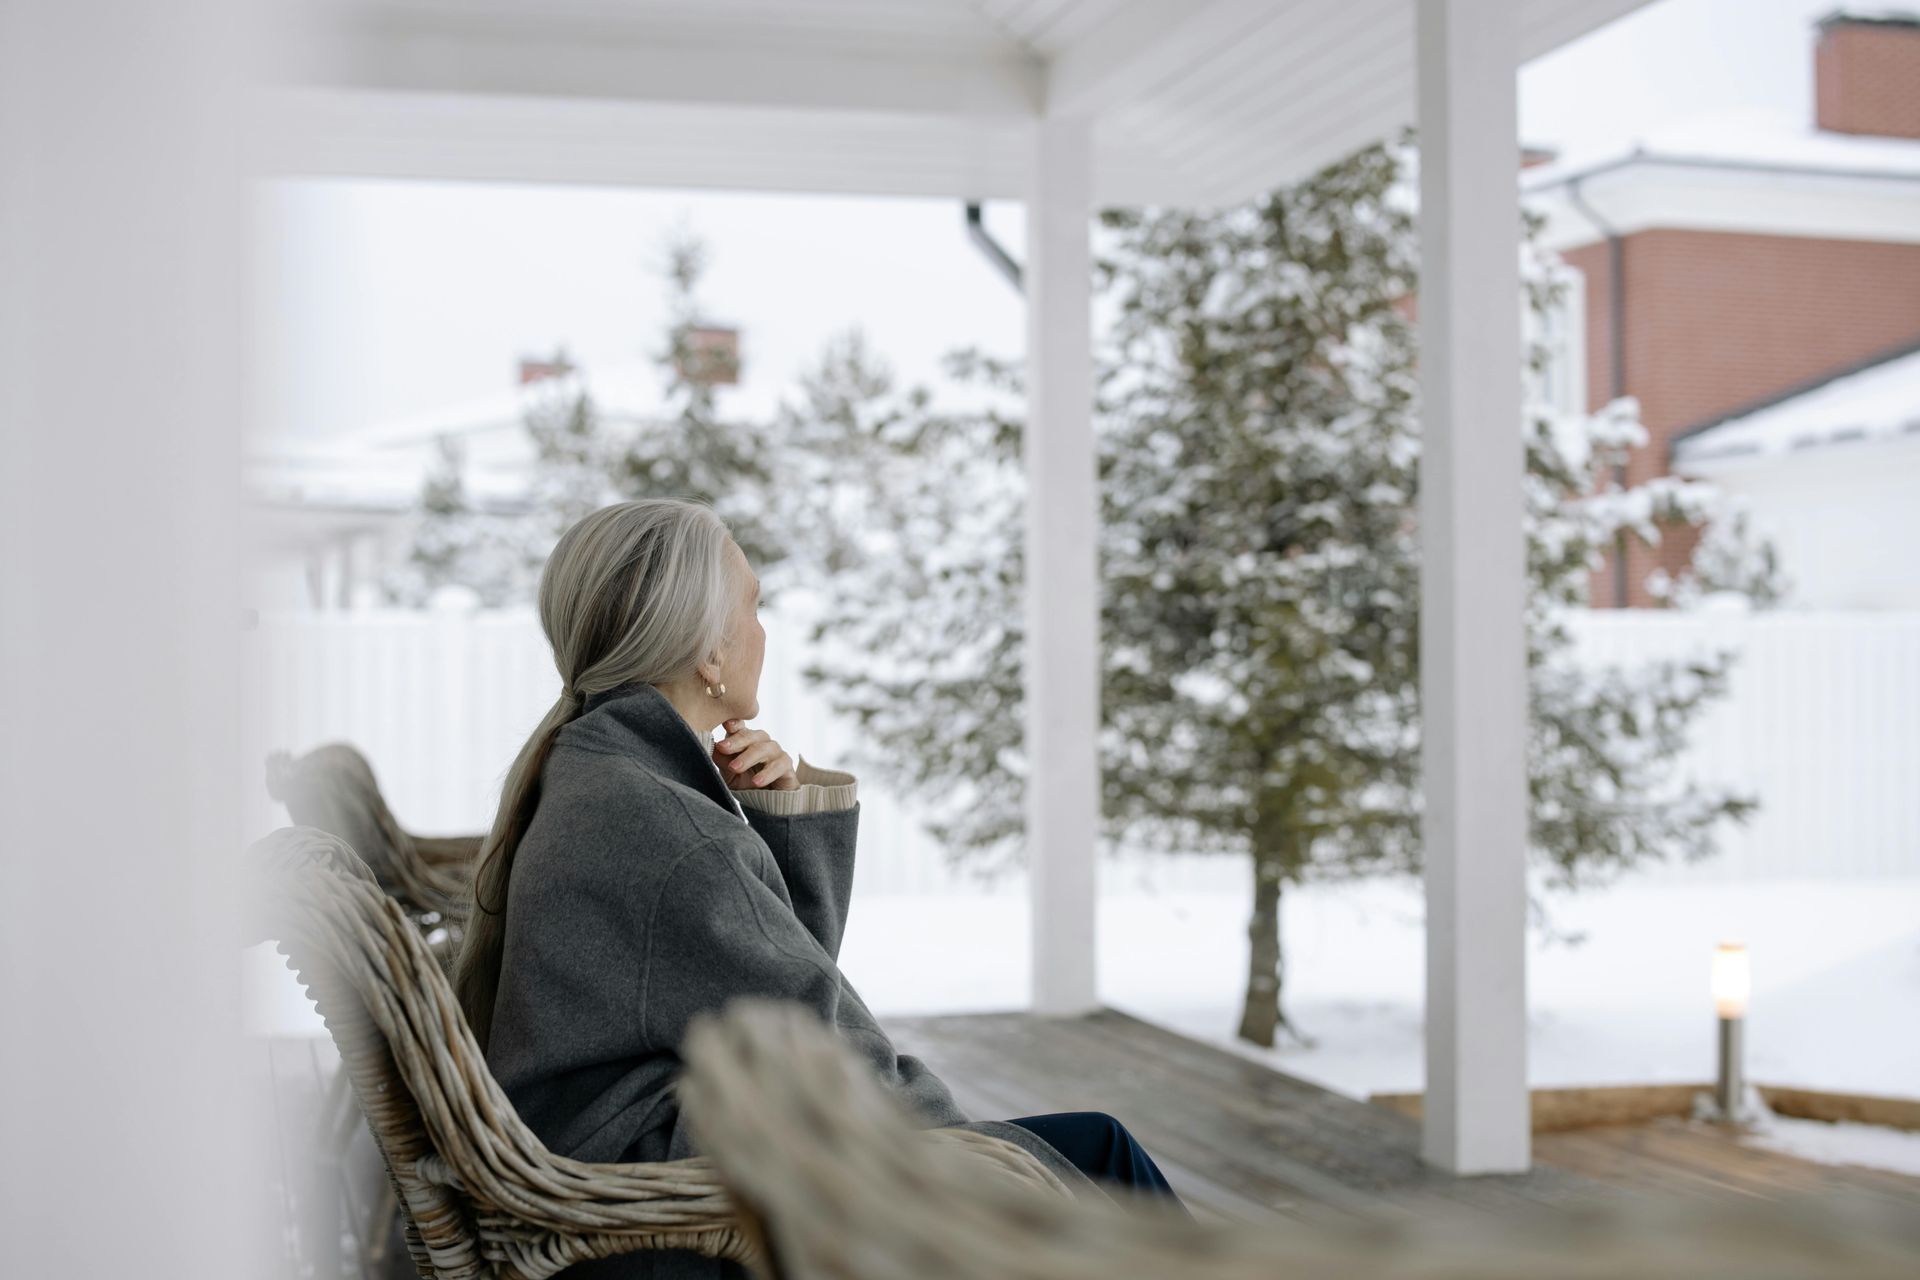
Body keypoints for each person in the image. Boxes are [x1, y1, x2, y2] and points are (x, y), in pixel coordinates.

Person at [453, 498, 1188, 1280]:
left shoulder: (603, 772)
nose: (763, 632)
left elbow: (770, 978)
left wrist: (785, 814)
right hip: (657, 1223)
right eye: (753, 606)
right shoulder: (664, 824)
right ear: (707, 650)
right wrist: (969, 1149)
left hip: (621, 1182)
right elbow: (827, 1055)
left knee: (1089, 1149)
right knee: (1098, 1158)